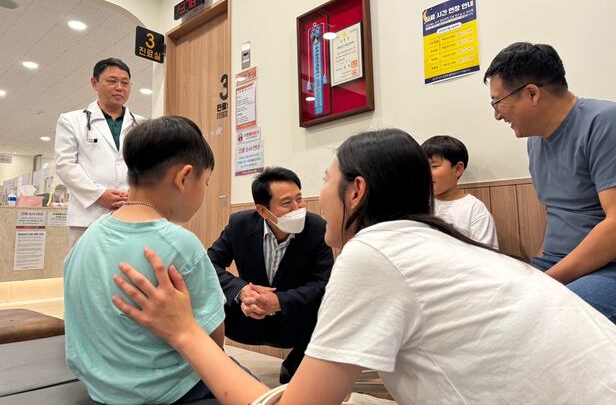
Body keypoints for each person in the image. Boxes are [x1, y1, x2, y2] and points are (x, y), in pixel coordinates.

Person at [113, 128, 616, 405]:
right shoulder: (439, 243)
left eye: (323, 181)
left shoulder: (374, 251)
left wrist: (184, 331)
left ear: (356, 191)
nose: (310, 202)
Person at [64, 116, 226, 404]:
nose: (204, 191)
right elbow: (214, 341)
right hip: (171, 391)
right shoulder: (181, 244)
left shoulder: (88, 238)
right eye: (206, 183)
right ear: (184, 178)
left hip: (101, 389)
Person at [484, 42, 616, 322]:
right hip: (559, 263)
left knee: (548, 319)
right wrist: (536, 269)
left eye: (497, 102)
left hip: (607, 267)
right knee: (488, 306)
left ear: (532, 93)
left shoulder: (605, 122)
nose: (497, 115)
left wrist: (546, 282)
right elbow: (556, 214)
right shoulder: (534, 142)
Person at [207, 167, 334, 383]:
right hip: (245, 317)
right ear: (263, 211)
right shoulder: (239, 225)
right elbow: (209, 264)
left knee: (331, 308)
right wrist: (241, 291)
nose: (297, 208)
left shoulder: (317, 228)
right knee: (201, 293)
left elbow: (323, 283)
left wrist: (278, 301)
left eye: (299, 199)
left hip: (294, 320)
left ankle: (295, 366)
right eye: (287, 203)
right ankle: (214, 369)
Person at [55, 57, 146, 247]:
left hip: (131, 211)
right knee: (86, 264)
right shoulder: (71, 121)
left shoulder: (141, 124)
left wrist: (136, 194)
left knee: (128, 263)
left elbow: (148, 166)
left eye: (125, 83)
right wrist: (98, 195)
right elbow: (65, 165)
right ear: (94, 83)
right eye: (112, 81)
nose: (119, 87)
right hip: (88, 216)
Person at [421, 135, 498, 247]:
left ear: (458, 169)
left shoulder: (474, 209)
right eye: (423, 166)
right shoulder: (419, 204)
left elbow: (487, 252)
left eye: (434, 166)